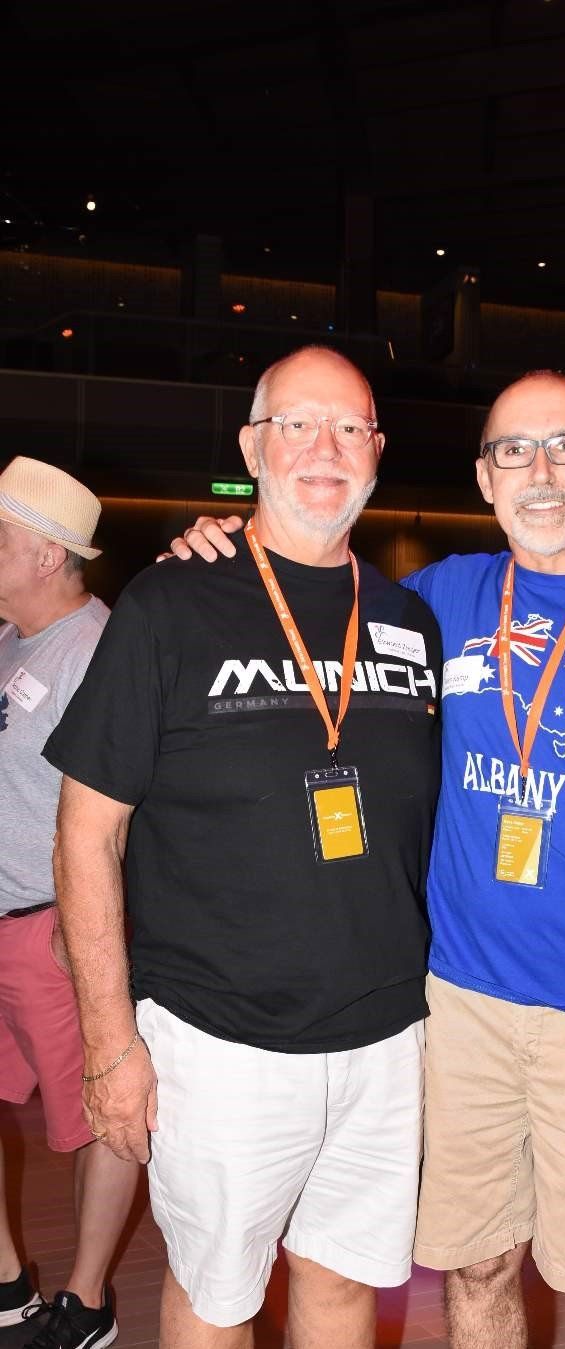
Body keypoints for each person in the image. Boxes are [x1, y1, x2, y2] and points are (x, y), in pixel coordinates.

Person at [174, 368, 565, 1349]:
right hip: (456, 1009)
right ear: (484, 477)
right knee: (475, 1259)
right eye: (513, 449)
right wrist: (218, 542)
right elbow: (301, 592)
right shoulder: (436, 599)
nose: (540, 469)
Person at [43, 347, 441, 1349]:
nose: (325, 448)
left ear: (378, 453)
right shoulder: (169, 606)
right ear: (252, 446)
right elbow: (87, 831)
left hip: (386, 1037)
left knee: (344, 1286)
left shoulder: (408, 620)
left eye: (350, 427)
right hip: (219, 1044)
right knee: (216, 1302)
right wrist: (109, 1043)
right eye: (297, 424)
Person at [0, 457, 139, 1349]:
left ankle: (86, 1300)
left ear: (49, 554)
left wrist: (89, 935)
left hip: (52, 929)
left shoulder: (100, 652)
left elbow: (128, 818)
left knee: (104, 1118)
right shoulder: (10, 637)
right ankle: (8, 1283)